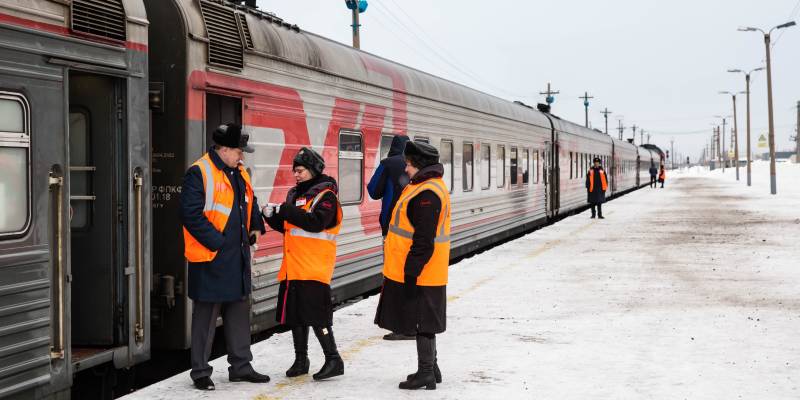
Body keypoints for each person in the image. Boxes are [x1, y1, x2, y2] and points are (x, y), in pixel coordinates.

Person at [180, 123, 269, 391]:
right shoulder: (200, 172)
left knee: (238, 313)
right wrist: (217, 243)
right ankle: (200, 372)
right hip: (211, 258)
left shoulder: (239, 172)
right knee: (205, 318)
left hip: (237, 255)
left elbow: (250, 201)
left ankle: (241, 366)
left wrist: (255, 226)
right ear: (225, 149)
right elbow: (190, 214)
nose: (242, 157)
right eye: (240, 151)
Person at [262, 147, 345, 381]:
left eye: (300, 171)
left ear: (313, 170)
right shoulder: (295, 195)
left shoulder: (326, 197)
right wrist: (272, 216)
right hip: (293, 266)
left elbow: (316, 223)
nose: (296, 175)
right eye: (295, 171)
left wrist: (286, 210)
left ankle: (333, 359)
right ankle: (301, 360)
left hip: (314, 267)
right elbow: (290, 227)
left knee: (318, 317)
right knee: (296, 316)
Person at [374, 141, 451, 390]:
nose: (405, 168)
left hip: (423, 271)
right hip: (424, 269)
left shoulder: (427, 193)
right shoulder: (423, 186)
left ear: (418, 165)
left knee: (422, 322)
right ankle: (432, 369)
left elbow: (424, 240)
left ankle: (426, 372)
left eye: (408, 164)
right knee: (424, 319)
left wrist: (411, 271)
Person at [366, 134, 415, 341]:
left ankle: (404, 326)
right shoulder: (416, 165)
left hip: (393, 230)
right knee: (412, 275)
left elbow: (373, 191)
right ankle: (413, 321)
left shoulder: (388, 164)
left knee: (394, 277)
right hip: (414, 229)